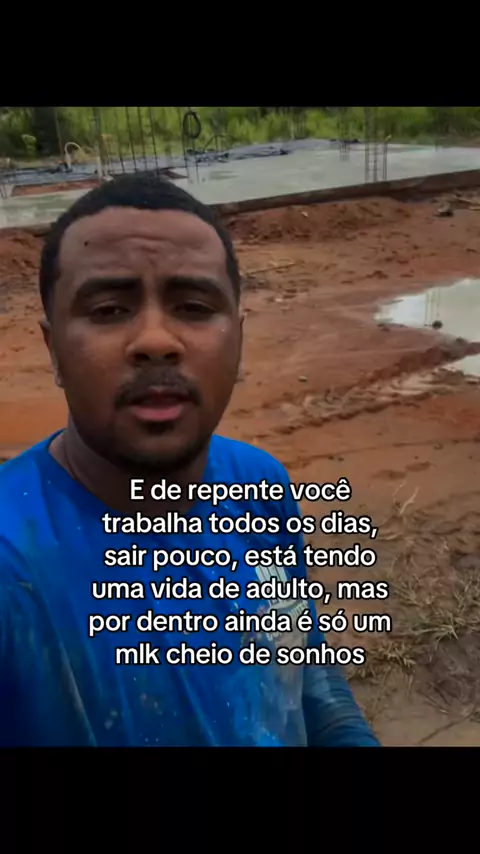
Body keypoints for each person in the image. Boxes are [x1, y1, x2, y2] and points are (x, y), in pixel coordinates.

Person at [0, 172, 379, 747]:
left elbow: (309, 682)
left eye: (194, 306)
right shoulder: (13, 566)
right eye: (109, 309)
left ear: (238, 340)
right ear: (53, 349)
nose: (156, 340)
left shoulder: (260, 484)